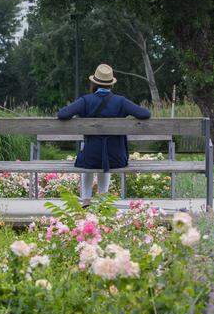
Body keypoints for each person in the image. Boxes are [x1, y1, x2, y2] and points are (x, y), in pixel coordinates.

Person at [57, 63, 151, 206]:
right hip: (116, 158)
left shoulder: (85, 100)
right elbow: (145, 114)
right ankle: (103, 200)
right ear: (111, 84)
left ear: (94, 82)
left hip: (90, 157)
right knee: (105, 154)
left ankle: (86, 200)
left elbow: (62, 114)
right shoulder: (121, 101)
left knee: (88, 154)